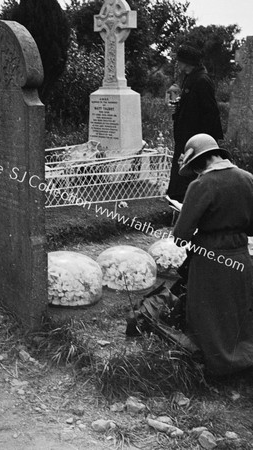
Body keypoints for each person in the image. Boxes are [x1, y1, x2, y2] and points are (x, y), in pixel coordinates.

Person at [173, 133, 253, 376]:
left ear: (198, 161)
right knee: (239, 310)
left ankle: (216, 367)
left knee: (207, 313)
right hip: (240, 254)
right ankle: (244, 361)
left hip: (210, 258)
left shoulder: (201, 185)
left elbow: (180, 236)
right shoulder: (248, 179)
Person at [167, 44, 223, 202]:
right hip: (186, 134)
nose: (178, 64)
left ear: (187, 62)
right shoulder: (190, 77)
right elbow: (192, 105)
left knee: (190, 170)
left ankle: (186, 200)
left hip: (196, 137)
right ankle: (177, 198)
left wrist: (205, 142)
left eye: (180, 61)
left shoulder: (202, 80)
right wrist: (179, 106)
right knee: (181, 168)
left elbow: (210, 112)